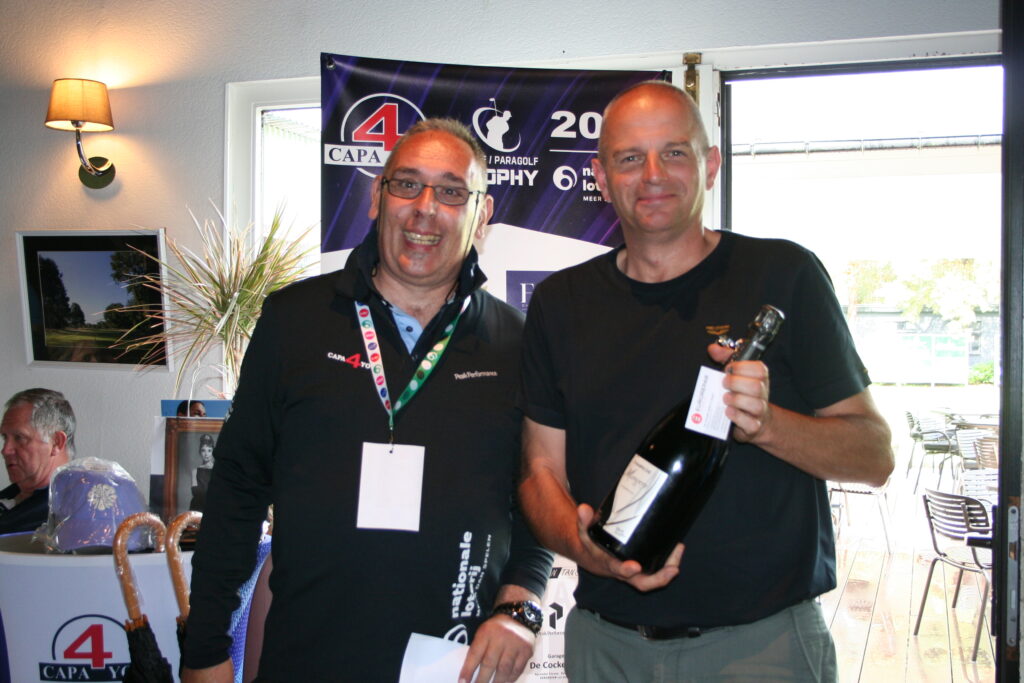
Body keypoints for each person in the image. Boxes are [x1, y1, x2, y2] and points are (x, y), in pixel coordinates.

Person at [518, 80, 894, 681]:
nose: (653, 175)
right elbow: (541, 471)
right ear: (601, 177)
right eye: (629, 158)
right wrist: (584, 547)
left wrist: (766, 425)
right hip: (605, 649)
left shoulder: (783, 275)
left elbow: (874, 456)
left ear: (710, 165)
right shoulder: (561, 303)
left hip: (761, 650)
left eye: (674, 152)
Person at [183, 118, 553, 683]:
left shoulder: (517, 343)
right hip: (309, 658)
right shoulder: (294, 321)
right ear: (378, 197)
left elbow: (538, 494)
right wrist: (205, 647)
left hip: (452, 663)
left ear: (482, 214)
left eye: (452, 192)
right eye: (407, 184)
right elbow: (238, 487)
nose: (425, 208)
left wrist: (521, 603)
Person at [0, 388, 76, 535]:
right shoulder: (10, 495)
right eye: (5, 438)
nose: (5, 450)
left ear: (56, 442)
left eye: (19, 438)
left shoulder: (73, 511)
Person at [189, 433, 216, 511]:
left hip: (213, 507)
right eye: (203, 450)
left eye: (209, 450)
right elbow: (195, 493)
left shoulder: (217, 470)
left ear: (213, 452)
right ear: (200, 452)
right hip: (197, 507)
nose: (206, 454)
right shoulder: (195, 471)